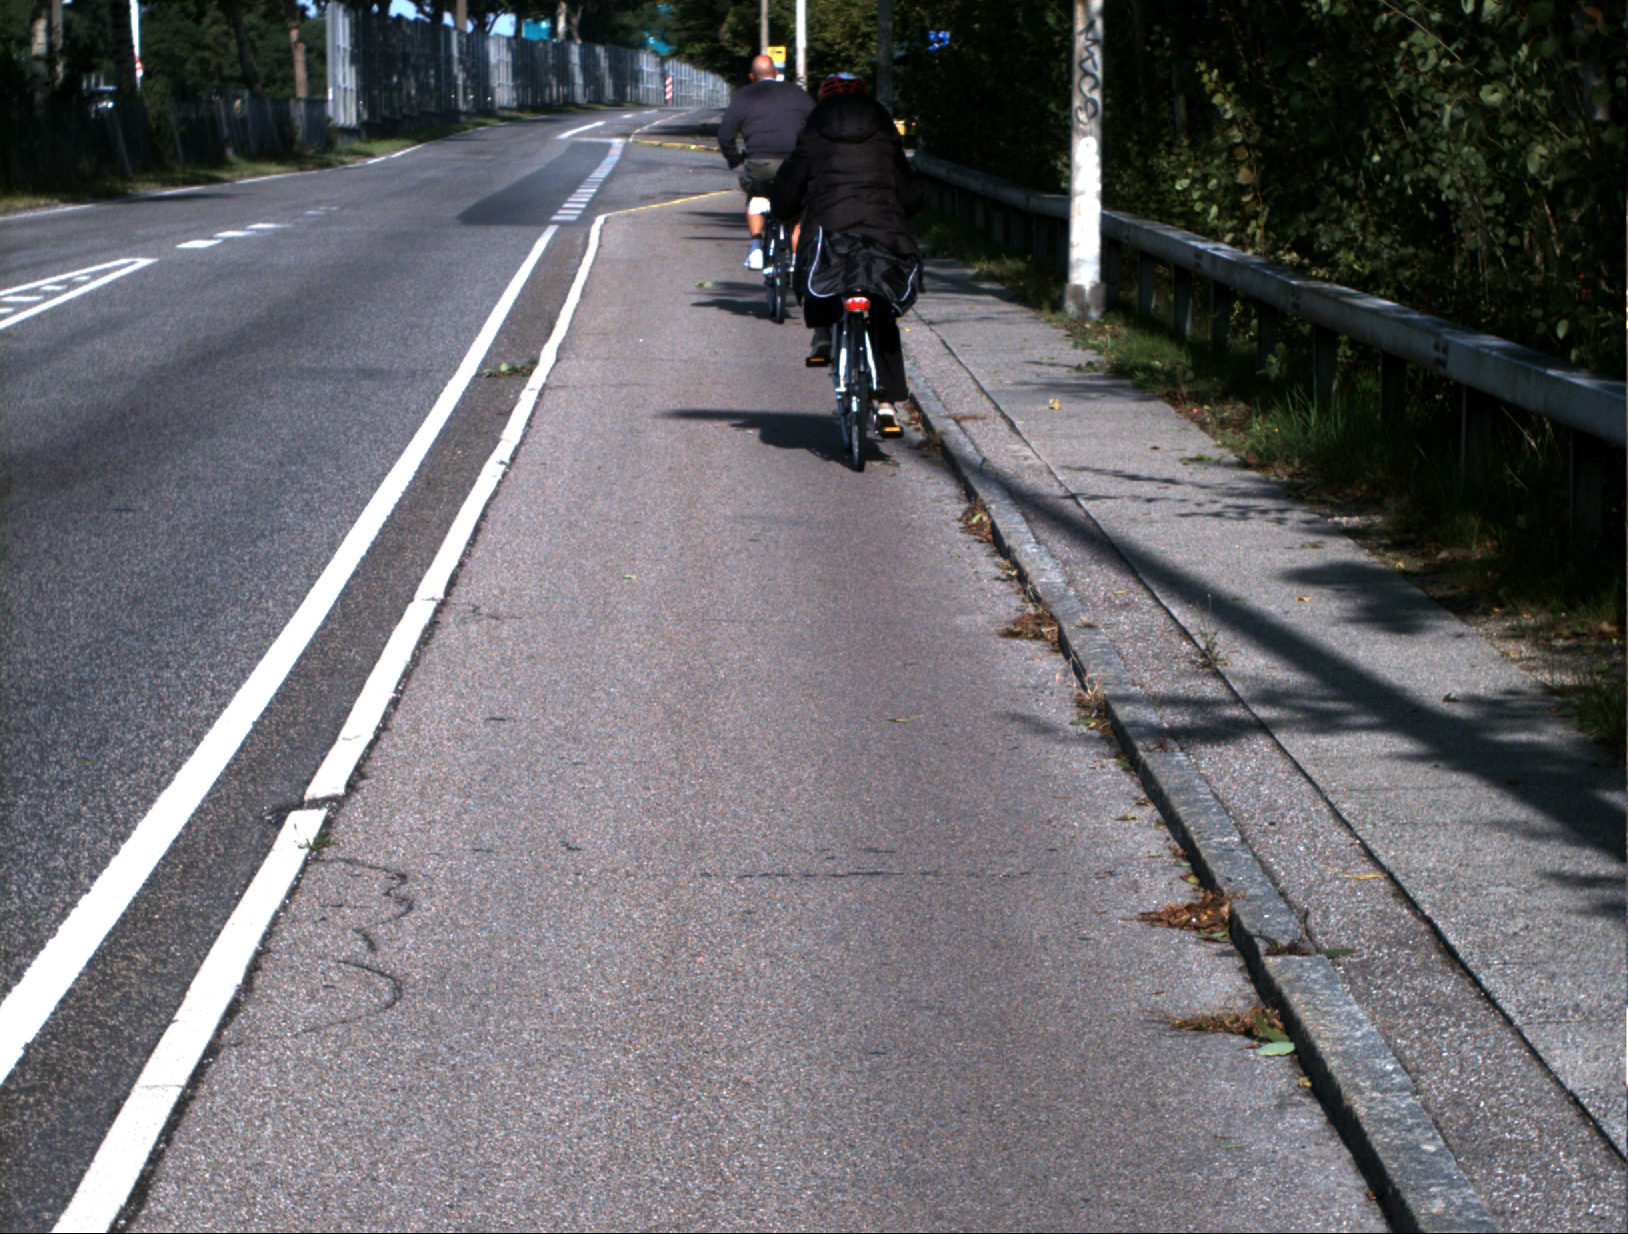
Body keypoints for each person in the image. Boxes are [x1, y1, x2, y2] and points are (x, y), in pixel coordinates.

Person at [770, 72, 923, 433]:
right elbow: (909, 188)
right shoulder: (883, 128)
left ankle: (822, 334)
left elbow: (792, 180)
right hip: (882, 230)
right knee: (882, 308)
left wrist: (784, 208)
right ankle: (887, 403)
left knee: (816, 270)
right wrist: (905, 210)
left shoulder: (814, 127)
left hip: (830, 229)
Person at [716, 54, 815, 270]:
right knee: (797, 207)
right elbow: (817, 125)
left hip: (759, 164)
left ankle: (756, 250)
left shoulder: (744, 96)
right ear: (776, 73)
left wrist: (735, 158)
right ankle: (796, 259)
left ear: (752, 76)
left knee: (755, 194)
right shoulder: (797, 93)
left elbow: (725, 136)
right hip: (794, 164)